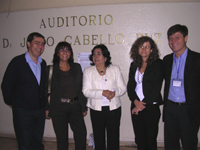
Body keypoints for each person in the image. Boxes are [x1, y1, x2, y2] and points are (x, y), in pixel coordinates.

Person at [1, 32, 46, 150]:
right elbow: (6, 84)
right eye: (37, 43)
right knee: (24, 143)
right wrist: (12, 102)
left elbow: (43, 87)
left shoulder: (43, 63)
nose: (40, 46)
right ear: (28, 44)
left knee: (37, 142)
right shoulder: (17, 62)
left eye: (42, 44)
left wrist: (45, 106)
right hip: (22, 112)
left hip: (39, 111)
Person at [163, 24, 200, 150]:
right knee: (170, 144)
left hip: (188, 110)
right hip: (170, 109)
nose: (173, 42)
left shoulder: (197, 59)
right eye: (170, 38)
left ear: (186, 38)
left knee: (189, 144)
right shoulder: (167, 60)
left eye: (177, 37)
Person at [82, 44, 126, 150]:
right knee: (98, 136)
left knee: (113, 136)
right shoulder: (88, 71)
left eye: (99, 54)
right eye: (94, 54)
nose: (95, 57)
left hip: (114, 109)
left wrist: (115, 93)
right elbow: (86, 91)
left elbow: (123, 88)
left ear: (105, 57)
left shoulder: (115, 69)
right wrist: (102, 92)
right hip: (96, 109)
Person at [45, 41, 87, 150]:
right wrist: (46, 108)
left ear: (71, 53)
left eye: (67, 50)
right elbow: (45, 91)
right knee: (62, 138)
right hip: (58, 108)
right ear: (57, 53)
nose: (65, 52)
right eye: (62, 49)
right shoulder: (50, 69)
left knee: (81, 134)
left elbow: (81, 88)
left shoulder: (77, 67)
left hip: (75, 106)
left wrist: (83, 106)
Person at [127, 36, 163, 150]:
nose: (144, 49)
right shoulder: (134, 65)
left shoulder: (158, 64)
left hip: (150, 107)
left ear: (152, 50)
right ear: (137, 49)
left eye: (147, 47)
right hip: (135, 105)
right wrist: (135, 101)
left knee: (150, 140)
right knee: (140, 139)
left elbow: (156, 88)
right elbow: (131, 86)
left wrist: (141, 105)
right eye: (141, 47)